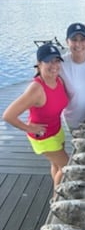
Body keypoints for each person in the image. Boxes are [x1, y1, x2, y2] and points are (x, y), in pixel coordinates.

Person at [2, 43, 69, 192]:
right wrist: (29, 127)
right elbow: (8, 115)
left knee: (57, 165)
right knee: (67, 168)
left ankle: (56, 189)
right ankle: (57, 199)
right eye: (48, 61)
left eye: (57, 60)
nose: (54, 65)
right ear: (39, 64)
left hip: (57, 130)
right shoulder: (36, 89)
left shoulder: (59, 80)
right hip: (43, 137)